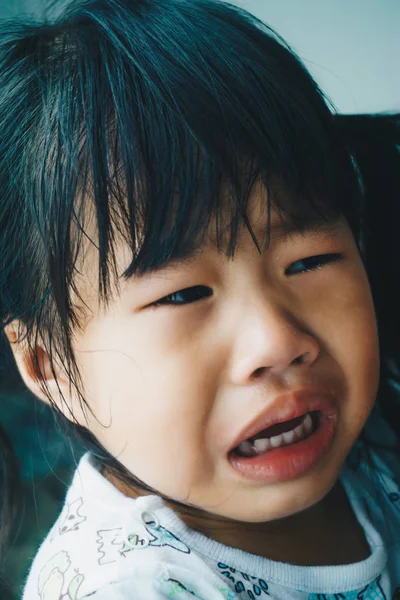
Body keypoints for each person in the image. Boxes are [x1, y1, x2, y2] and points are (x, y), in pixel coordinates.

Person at [0, 0, 399, 597]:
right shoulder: (131, 586)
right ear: (49, 366)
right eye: (185, 293)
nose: (278, 342)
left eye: (308, 260)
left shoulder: (372, 446)